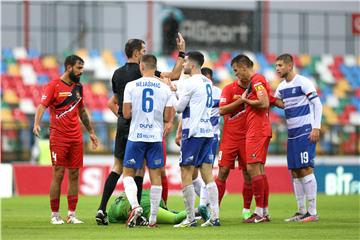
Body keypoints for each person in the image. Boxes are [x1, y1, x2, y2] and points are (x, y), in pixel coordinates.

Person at [96, 34, 185, 225]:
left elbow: (112, 103)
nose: (145, 54)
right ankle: (136, 211)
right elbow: (175, 75)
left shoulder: (117, 74)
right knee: (140, 171)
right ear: (137, 54)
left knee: (118, 167)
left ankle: (102, 209)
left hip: (124, 125)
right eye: (143, 51)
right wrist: (182, 53)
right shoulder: (142, 71)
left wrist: (122, 118)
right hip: (144, 127)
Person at [33, 55, 99, 224]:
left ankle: (71, 214)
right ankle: (55, 215)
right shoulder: (53, 85)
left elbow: (82, 111)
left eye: (82, 68)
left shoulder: (79, 87)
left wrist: (91, 132)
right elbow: (42, 106)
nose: (81, 72)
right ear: (69, 68)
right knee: (58, 173)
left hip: (76, 137)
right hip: (59, 137)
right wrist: (37, 124)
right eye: (79, 68)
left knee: (75, 174)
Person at [122, 54, 174, 228]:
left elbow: (126, 113)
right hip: (155, 137)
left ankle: (136, 206)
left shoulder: (131, 86)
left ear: (141, 67)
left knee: (128, 173)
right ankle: (152, 219)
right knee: (155, 176)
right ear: (155, 67)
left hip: (136, 136)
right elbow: (168, 116)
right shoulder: (165, 88)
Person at [170, 51, 220, 227]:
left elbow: (179, 108)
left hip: (193, 132)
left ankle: (190, 219)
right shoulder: (207, 82)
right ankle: (215, 217)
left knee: (186, 172)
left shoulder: (190, 82)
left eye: (184, 63)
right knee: (207, 174)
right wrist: (178, 92)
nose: (183, 65)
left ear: (192, 65)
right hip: (208, 131)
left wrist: (171, 92)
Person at [274, 54, 322, 222]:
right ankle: (301, 211)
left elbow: (317, 104)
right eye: (276, 66)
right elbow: (278, 101)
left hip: (305, 131)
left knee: (306, 168)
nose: (277, 68)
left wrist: (316, 127)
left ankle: (313, 212)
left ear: (290, 66)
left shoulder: (303, 82)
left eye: (280, 65)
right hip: (292, 134)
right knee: (295, 171)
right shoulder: (280, 87)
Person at [229, 54, 272, 223]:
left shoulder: (257, 80)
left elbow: (264, 102)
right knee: (259, 170)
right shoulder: (257, 81)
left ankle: (260, 213)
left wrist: (245, 100)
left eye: (236, 70)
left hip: (258, 130)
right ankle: (264, 211)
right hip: (259, 129)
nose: (236, 74)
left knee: (254, 169)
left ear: (244, 67)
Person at [214, 65, 253, 220]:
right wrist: (242, 101)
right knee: (222, 172)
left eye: (238, 70)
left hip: (247, 138)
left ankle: (246, 210)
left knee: (248, 174)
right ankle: (215, 209)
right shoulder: (229, 89)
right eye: (234, 71)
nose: (236, 74)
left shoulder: (255, 89)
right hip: (229, 138)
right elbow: (222, 110)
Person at [108, 190, 187, 225]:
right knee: (172, 214)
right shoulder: (114, 212)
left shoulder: (113, 212)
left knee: (175, 218)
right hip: (149, 195)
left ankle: (197, 211)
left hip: (147, 204)